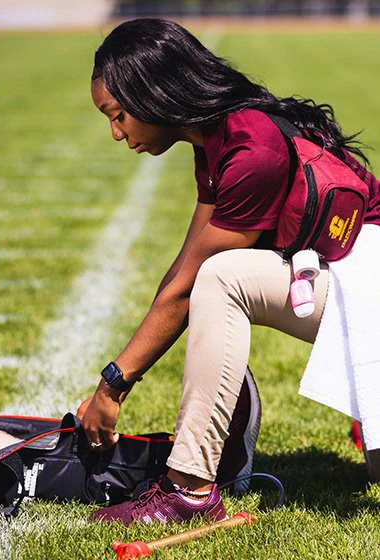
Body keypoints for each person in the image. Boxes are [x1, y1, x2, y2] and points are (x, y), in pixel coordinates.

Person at [78, 18, 380, 525]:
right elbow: (183, 268)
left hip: (368, 284)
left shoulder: (252, 147)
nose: (116, 132)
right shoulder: (214, 138)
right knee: (212, 272)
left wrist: (112, 386)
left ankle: (190, 490)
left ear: (154, 92)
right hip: (349, 282)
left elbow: (195, 281)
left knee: (222, 277)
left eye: (119, 114)